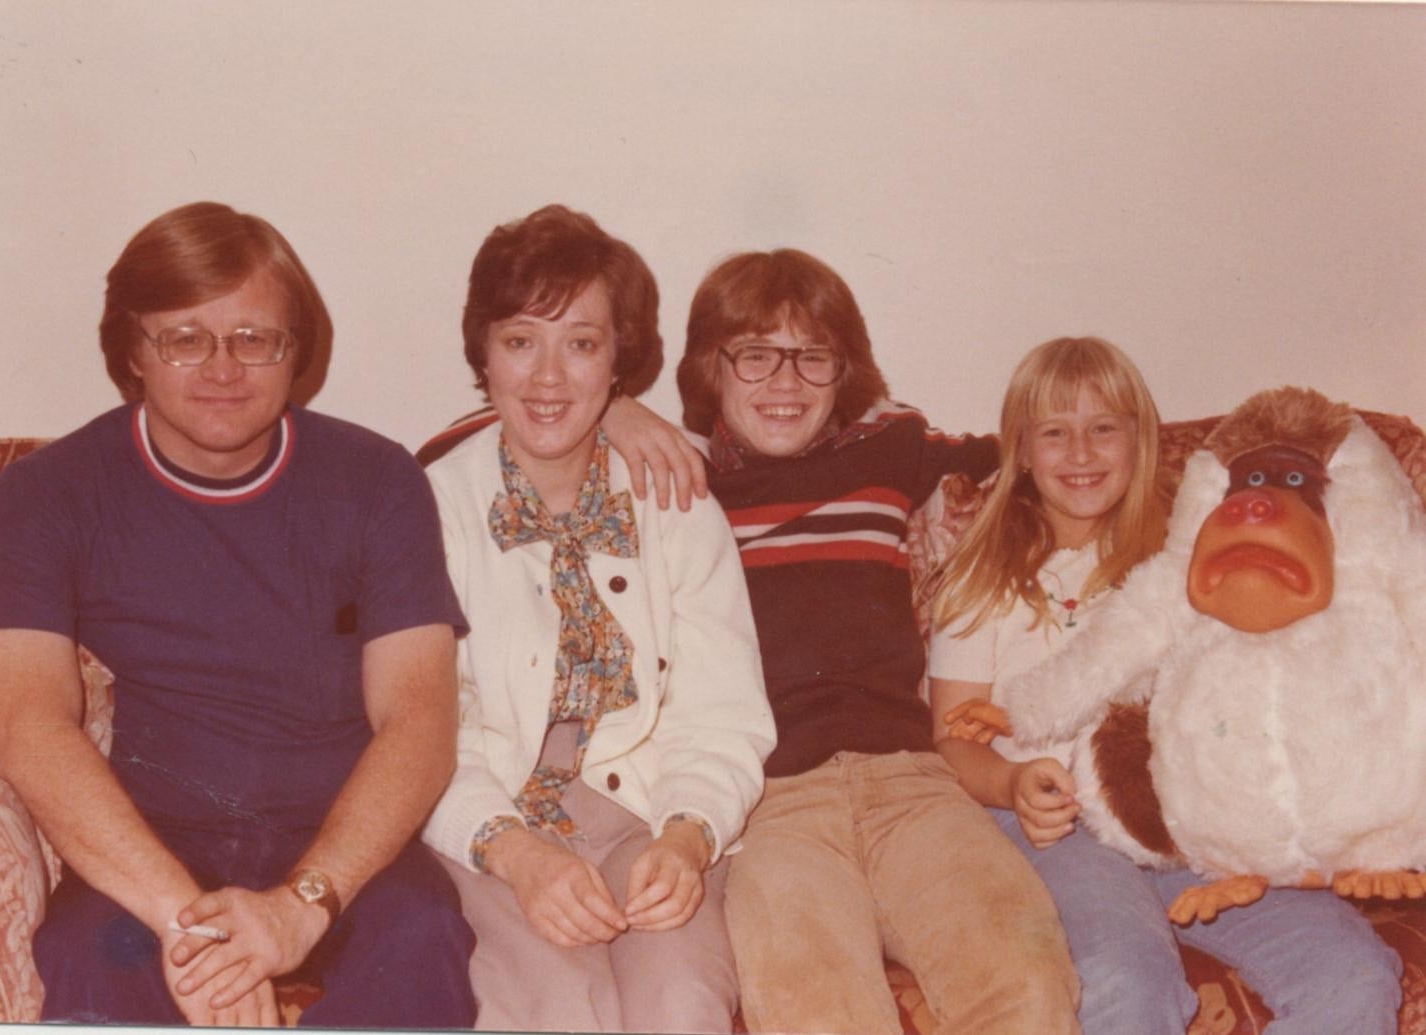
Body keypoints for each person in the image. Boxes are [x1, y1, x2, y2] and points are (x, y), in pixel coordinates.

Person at [0, 201, 477, 1027]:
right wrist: (193, 930)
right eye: (184, 338)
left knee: (424, 939)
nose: (222, 368)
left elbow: (419, 722)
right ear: (132, 350)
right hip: (148, 853)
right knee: (82, 959)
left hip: (342, 851)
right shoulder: (47, 492)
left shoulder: (377, 480)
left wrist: (303, 903)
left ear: (295, 349)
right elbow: (27, 723)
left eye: (254, 338)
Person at [596, 248, 1082, 1034]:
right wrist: (611, 409)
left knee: (1025, 982)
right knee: (814, 1008)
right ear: (710, 368)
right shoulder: (678, 480)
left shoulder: (888, 448)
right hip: (769, 804)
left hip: (913, 785)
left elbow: (1047, 455)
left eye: (811, 357)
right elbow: (477, 441)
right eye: (755, 355)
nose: (784, 383)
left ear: (842, 370)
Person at [928, 336, 1403, 1034]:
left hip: (1191, 817)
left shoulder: (1188, 548)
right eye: (1054, 432)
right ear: (1021, 450)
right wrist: (1011, 783)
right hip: (1056, 827)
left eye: (1103, 428)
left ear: (1140, 440)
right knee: (1126, 975)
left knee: (1353, 972)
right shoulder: (984, 574)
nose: (1080, 452)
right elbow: (950, 739)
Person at [421, 205, 776, 1033]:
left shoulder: (674, 499)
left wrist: (687, 837)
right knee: (551, 1010)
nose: (548, 377)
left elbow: (720, 715)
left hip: (647, 812)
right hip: (491, 819)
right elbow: (421, 734)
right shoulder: (428, 508)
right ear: (483, 352)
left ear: (619, 359)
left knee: (680, 1005)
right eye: (520, 340)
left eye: (580, 343)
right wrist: (516, 853)